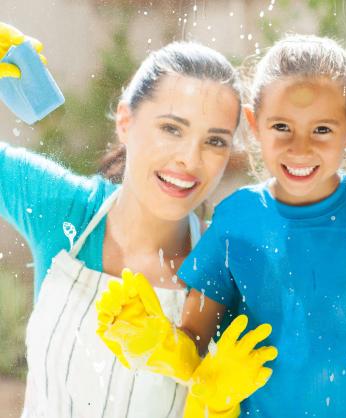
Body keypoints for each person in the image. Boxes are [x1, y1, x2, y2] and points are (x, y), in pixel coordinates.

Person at [0, 22, 249, 417]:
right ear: (125, 121)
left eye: (214, 141)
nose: (190, 159)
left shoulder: (226, 277)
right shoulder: (65, 212)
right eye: (171, 128)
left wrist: (218, 405)